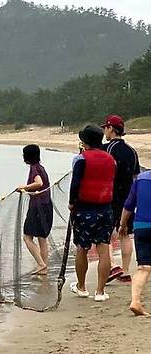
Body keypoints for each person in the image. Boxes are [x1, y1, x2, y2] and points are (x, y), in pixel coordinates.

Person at [69, 125, 116, 302]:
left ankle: (81, 287)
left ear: (85, 141)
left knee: (82, 248)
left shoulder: (80, 159)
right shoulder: (111, 159)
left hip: (84, 209)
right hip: (105, 208)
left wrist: (72, 203)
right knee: (103, 248)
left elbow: (75, 184)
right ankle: (100, 291)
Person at [101, 115, 141, 284]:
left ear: (111, 128)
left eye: (106, 128)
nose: (104, 131)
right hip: (129, 196)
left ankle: (112, 266)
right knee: (126, 233)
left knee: (106, 234)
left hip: (111, 196)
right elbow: (136, 175)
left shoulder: (107, 149)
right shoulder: (132, 151)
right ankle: (125, 270)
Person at [16, 144, 53, 275]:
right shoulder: (41, 167)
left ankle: (41, 264)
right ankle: (44, 268)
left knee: (27, 237)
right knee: (42, 238)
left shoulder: (34, 168)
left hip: (38, 208)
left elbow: (39, 183)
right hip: (46, 205)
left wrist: (24, 187)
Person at [120, 169, 151, 315]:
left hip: (141, 227)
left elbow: (129, 204)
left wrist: (122, 224)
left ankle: (135, 301)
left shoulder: (141, 178)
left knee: (143, 268)